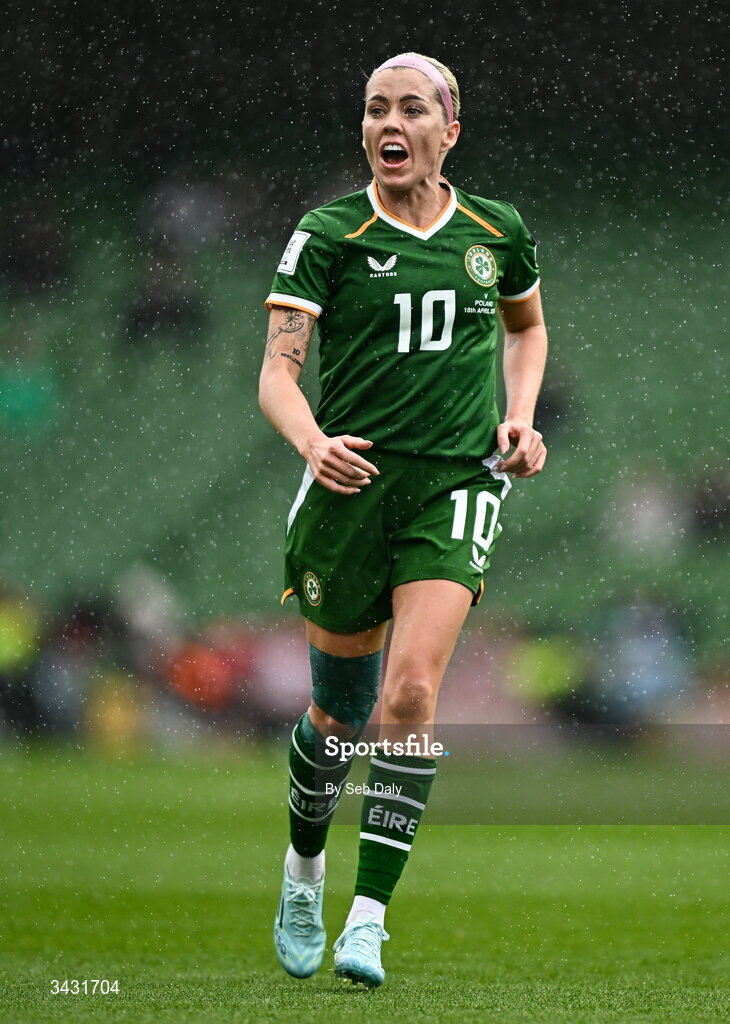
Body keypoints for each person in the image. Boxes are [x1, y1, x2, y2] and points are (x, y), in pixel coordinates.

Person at [259, 52, 548, 988]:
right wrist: (312, 444)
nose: (391, 122)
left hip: (456, 485)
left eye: (412, 108)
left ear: (448, 130)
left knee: (412, 697)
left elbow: (527, 326)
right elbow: (277, 374)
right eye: (377, 109)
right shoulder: (329, 233)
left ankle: (368, 920)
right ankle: (304, 873)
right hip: (351, 491)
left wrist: (521, 417)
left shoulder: (495, 230)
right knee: (339, 720)